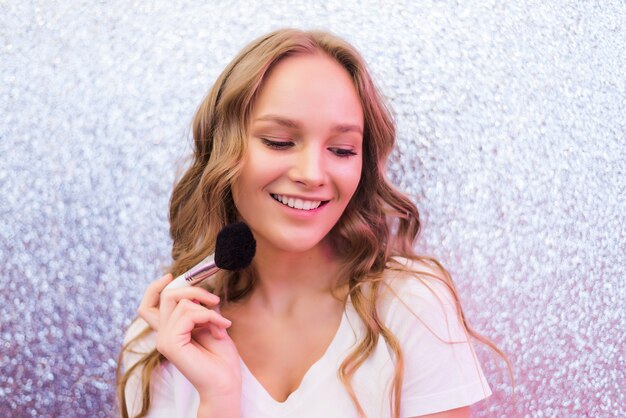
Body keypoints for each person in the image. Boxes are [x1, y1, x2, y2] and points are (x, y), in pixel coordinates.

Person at [116, 28, 510, 418]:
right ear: (223, 148)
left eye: (341, 149)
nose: (312, 174)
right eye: (279, 142)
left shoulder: (411, 305)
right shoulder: (162, 341)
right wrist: (218, 399)